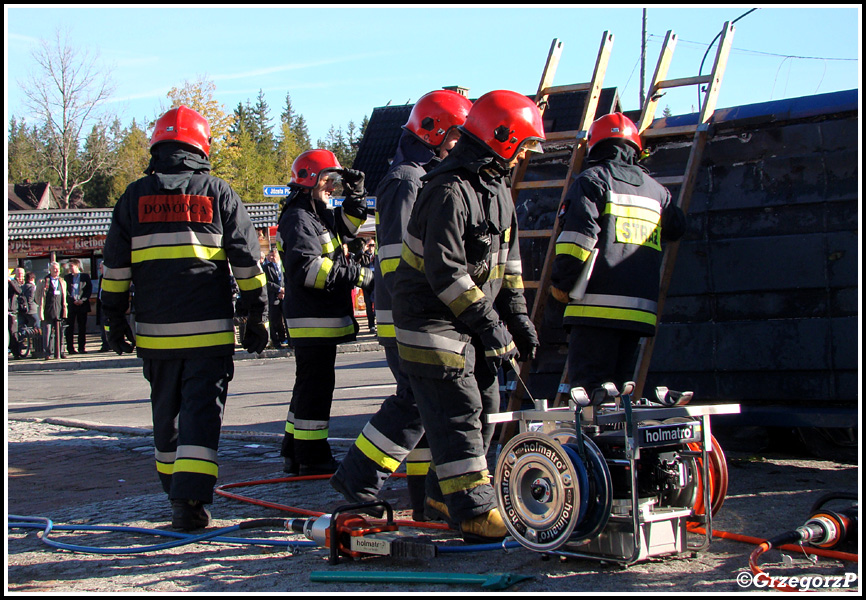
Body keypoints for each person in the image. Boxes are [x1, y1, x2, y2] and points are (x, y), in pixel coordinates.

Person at [100, 105, 269, 531]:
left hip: (156, 335)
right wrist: (256, 316)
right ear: (201, 145)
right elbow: (247, 263)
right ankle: (190, 503)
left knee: (166, 414)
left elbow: (116, 268)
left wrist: (114, 321)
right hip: (208, 333)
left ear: (158, 146)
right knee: (201, 414)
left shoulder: (134, 197)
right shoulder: (218, 193)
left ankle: (174, 490)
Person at [390, 90, 544, 543]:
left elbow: (508, 270)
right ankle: (474, 512)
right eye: (525, 145)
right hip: (430, 322)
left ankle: (441, 498)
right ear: (503, 137)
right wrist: (491, 325)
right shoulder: (448, 190)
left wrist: (518, 321)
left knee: (489, 405)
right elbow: (447, 274)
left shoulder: (497, 192)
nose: (525, 156)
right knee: (460, 412)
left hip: (465, 322)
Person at [331, 89, 472, 520]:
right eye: (455, 136)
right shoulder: (408, 180)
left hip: (417, 313)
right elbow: (398, 259)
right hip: (407, 315)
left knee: (424, 404)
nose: (460, 144)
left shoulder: (424, 174)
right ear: (433, 132)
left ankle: (427, 498)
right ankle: (358, 478)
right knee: (415, 399)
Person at [549, 112, 687, 395]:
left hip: (594, 310)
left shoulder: (593, 181)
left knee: (589, 397)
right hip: (638, 314)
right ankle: (617, 441)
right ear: (635, 149)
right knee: (620, 394)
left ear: (595, 146)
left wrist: (561, 284)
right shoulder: (658, 192)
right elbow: (677, 227)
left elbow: (577, 240)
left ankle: (590, 439)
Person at [276, 149, 372, 477]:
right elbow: (310, 269)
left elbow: (347, 226)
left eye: (334, 181)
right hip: (311, 320)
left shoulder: (315, 214)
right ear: (310, 181)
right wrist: (358, 275)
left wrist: (357, 194)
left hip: (316, 318)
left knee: (308, 386)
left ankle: (293, 450)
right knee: (316, 389)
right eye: (327, 181)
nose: (332, 188)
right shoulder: (298, 218)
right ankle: (312, 454)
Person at [36, 262, 68, 359]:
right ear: (50, 270)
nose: (56, 270)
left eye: (58, 269)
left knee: (61, 333)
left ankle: (60, 351)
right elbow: (37, 296)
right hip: (47, 311)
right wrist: (41, 307)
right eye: (54, 269)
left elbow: (64, 297)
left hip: (59, 310)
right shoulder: (43, 282)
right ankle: (47, 353)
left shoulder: (62, 281)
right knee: (47, 333)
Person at [63, 258, 93, 354]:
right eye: (69, 266)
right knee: (70, 327)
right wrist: (72, 300)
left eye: (72, 266)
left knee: (82, 327)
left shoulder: (85, 276)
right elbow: (66, 291)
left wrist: (82, 300)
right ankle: (70, 348)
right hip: (71, 305)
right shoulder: (67, 278)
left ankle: (81, 348)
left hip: (82, 305)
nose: (70, 268)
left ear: (77, 266)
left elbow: (88, 289)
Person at [262, 250, 288, 349]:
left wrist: (285, 291)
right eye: (270, 256)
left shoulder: (284, 265)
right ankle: (276, 342)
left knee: (287, 320)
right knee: (274, 321)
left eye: (273, 255)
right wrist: (279, 290)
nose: (271, 258)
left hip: (285, 297)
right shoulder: (266, 268)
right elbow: (267, 282)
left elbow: (288, 279)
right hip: (273, 298)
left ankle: (289, 341)